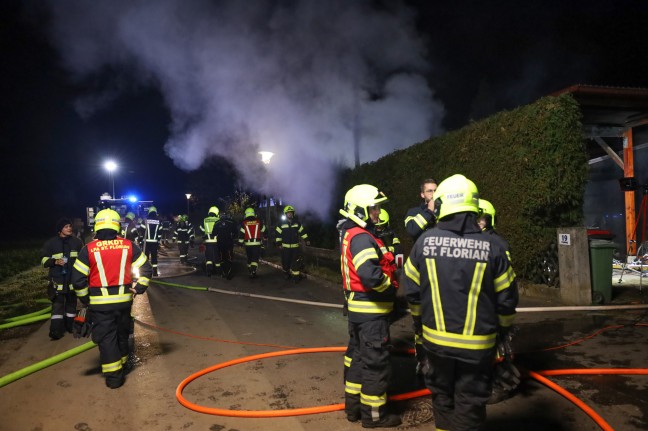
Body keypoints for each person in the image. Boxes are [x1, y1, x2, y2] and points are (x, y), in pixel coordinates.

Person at [403, 174, 518, 431]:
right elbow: (507, 299)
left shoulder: (423, 243)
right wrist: (503, 330)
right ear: (473, 207)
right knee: (470, 400)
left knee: (442, 396)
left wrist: (419, 323)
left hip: (435, 342)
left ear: (442, 205)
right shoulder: (493, 247)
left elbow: (411, 291)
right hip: (478, 346)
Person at [339, 184, 401, 428]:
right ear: (360, 210)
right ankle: (375, 416)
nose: (377, 212)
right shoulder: (363, 238)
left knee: (357, 359)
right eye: (373, 207)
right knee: (375, 365)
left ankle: (353, 410)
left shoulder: (352, 233)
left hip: (358, 312)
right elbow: (370, 275)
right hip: (371, 314)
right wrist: (390, 287)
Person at [71, 209, 152, 389]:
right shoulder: (129, 245)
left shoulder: (88, 249)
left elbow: (77, 279)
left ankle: (114, 378)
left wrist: (85, 299)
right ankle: (123, 364)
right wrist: (138, 288)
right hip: (124, 302)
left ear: (97, 225)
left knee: (107, 338)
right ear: (117, 225)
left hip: (100, 305)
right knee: (122, 333)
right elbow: (146, 269)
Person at [40, 218, 84, 340]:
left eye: (70, 226)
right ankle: (55, 331)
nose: (69, 228)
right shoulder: (51, 244)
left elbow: (83, 260)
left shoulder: (77, 242)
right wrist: (54, 261)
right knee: (57, 307)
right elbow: (43, 260)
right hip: (57, 281)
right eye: (66, 226)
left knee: (71, 306)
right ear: (60, 230)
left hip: (71, 281)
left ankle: (70, 327)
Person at [275, 205, 310, 282]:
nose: (290, 214)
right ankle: (286, 273)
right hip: (285, 247)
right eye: (288, 213)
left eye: (291, 213)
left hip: (295, 247)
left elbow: (302, 232)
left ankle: (296, 277)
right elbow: (278, 234)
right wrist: (278, 243)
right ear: (285, 214)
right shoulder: (281, 224)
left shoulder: (297, 223)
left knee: (295, 262)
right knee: (286, 261)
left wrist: (306, 239)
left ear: (293, 214)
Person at [239, 207, 267, 278]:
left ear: (246, 214)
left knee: (249, 258)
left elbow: (241, 234)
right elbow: (264, 230)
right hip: (257, 244)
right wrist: (265, 236)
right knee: (255, 258)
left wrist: (240, 243)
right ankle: (253, 270)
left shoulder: (244, 223)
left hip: (248, 244)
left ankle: (250, 269)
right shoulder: (258, 221)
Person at [214, 212, 238, 279]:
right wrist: (233, 237)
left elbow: (214, 233)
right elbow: (236, 232)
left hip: (220, 243)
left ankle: (224, 272)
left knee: (222, 258)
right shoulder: (231, 223)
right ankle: (230, 272)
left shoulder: (217, 223)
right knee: (229, 257)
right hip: (229, 243)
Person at [200, 206, 220, 277]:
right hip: (217, 242)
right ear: (216, 212)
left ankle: (209, 271)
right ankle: (219, 271)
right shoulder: (218, 219)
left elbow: (201, 228)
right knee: (217, 257)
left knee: (209, 257)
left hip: (208, 242)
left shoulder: (205, 220)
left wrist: (204, 233)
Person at [143, 206, 162, 276]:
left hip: (146, 242)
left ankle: (146, 272)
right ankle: (155, 272)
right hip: (154, 242)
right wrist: (158, 241)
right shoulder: (158, 221)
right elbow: (160, 233)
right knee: (154, 257)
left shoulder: (145, 220)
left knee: (146, 257)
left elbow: (142, 231)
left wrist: (141, 240)